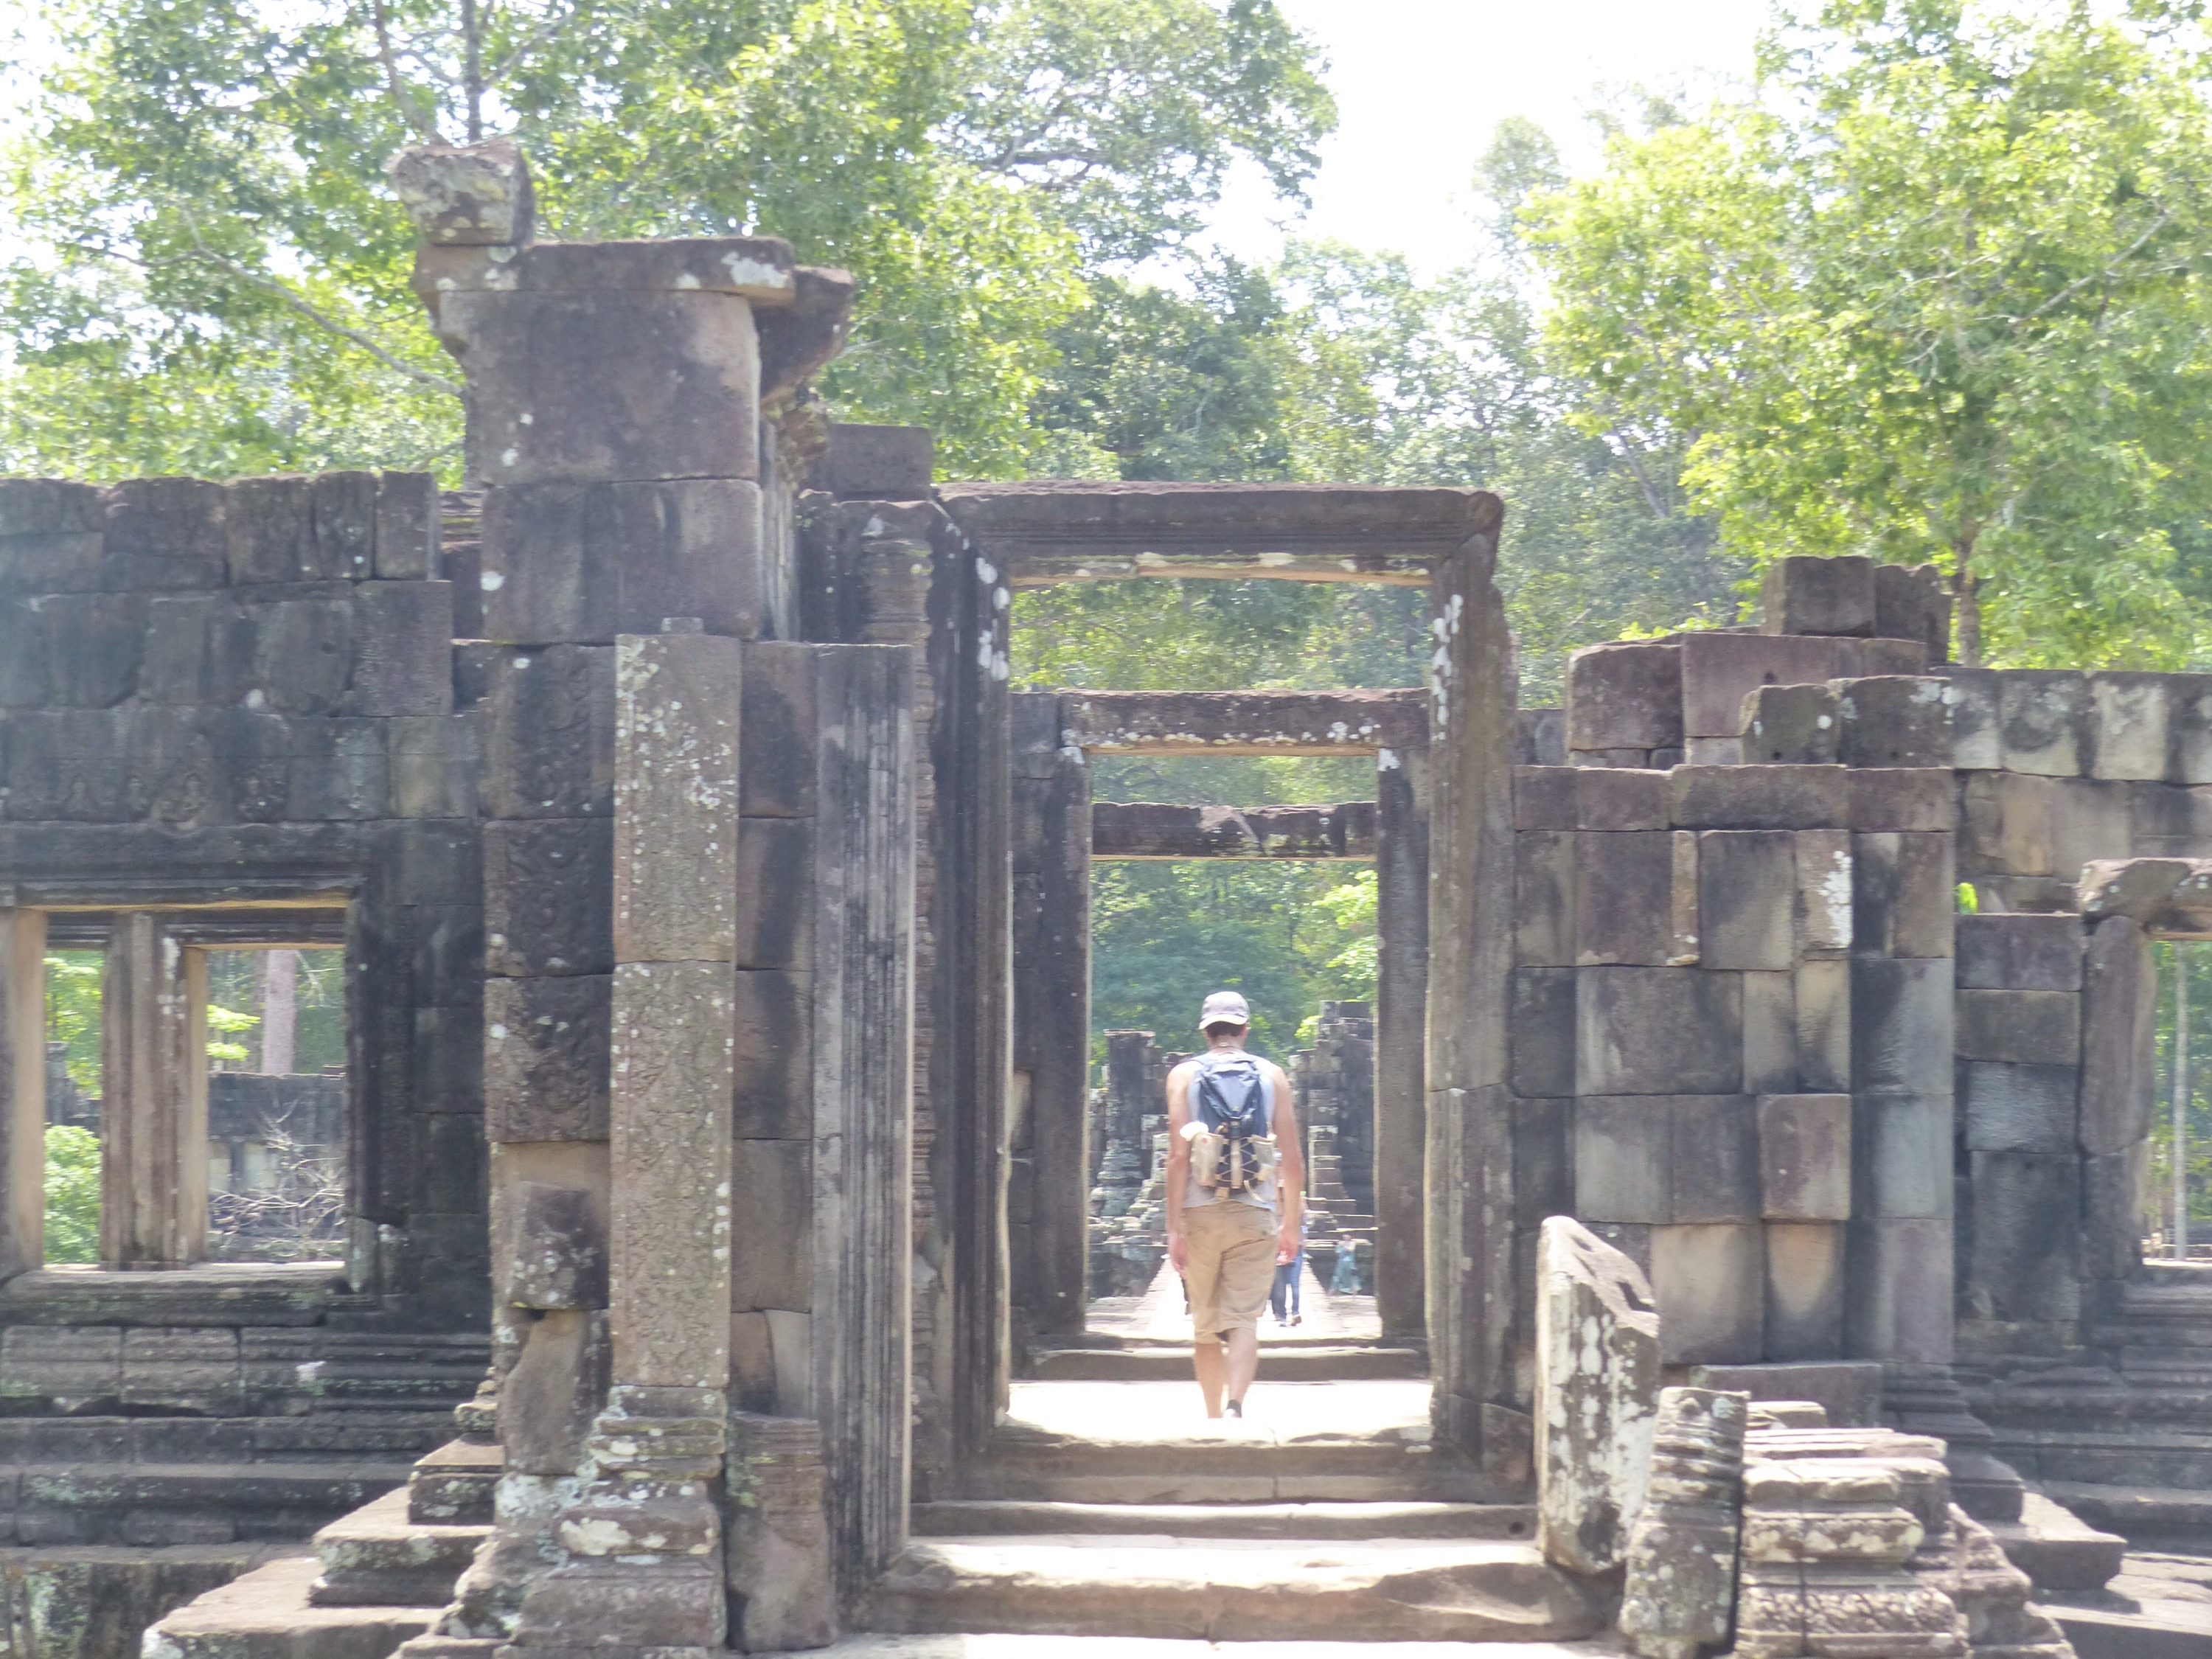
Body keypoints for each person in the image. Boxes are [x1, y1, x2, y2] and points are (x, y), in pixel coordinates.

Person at [1164, 991, 1304, 1419]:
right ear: (1245, 1029)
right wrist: (1291, 1224)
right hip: (1256, 1211)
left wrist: (1173, 1228)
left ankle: (1211, 1417)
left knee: (1205, 1325)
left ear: (1205, 1032)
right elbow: (1293, 1160)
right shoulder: (1272, 1075)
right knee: (1243, 1319)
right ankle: (1234, 1408)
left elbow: (1178, 1157)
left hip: (1200, 1211)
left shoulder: (1183, 1075)